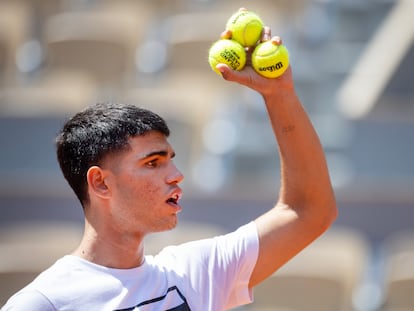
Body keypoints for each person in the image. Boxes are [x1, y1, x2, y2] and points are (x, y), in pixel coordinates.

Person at [2, 26, 337, 311]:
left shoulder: (193, 273)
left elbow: (309, 210)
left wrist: (279, 94)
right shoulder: (42, 303)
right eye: (153, 162)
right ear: (101, 183)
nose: (176, 174)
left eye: (171, 158)